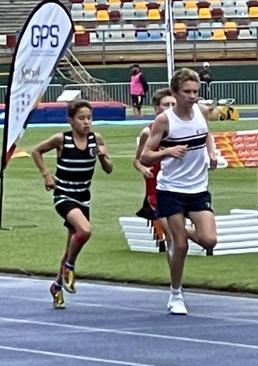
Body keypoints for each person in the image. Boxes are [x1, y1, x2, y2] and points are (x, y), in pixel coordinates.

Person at [140, 68, 219, 315]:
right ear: (175, 92)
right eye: (187, 92)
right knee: (181, 246)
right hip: (171, 188)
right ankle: (176, 293)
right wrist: (167, 152)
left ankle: (177, 230)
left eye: (195, 92)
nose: (192, 96)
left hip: (198, 188)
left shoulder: (201, 111)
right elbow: (145, 155)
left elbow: (208, 134)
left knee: (209, 240)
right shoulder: (165, 120)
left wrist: (212, 153)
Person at [31, 100, 114, 309]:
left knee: (71, 245)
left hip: (83, 198)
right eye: (81, 118)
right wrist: (46, 175)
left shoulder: (96, 139)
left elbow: (109, 169)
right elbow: (36, 151)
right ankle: (69, 266)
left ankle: (57, 287)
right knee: (85, 231)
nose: (86, 123)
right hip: (64, 196)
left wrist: (104, 157)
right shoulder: (62, 139)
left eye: (89, 118)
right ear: (70, 120)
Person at [133, 88, 177, 260]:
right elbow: (137, 160)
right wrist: (144, 169)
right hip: (156, 186)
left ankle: (180, 242)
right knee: (170, 232)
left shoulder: (183, 128)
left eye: (174, 104)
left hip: (179, 183)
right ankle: (173, 251)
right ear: (157, 108)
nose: (171, 107)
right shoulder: (148, 132)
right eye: (166, 104)